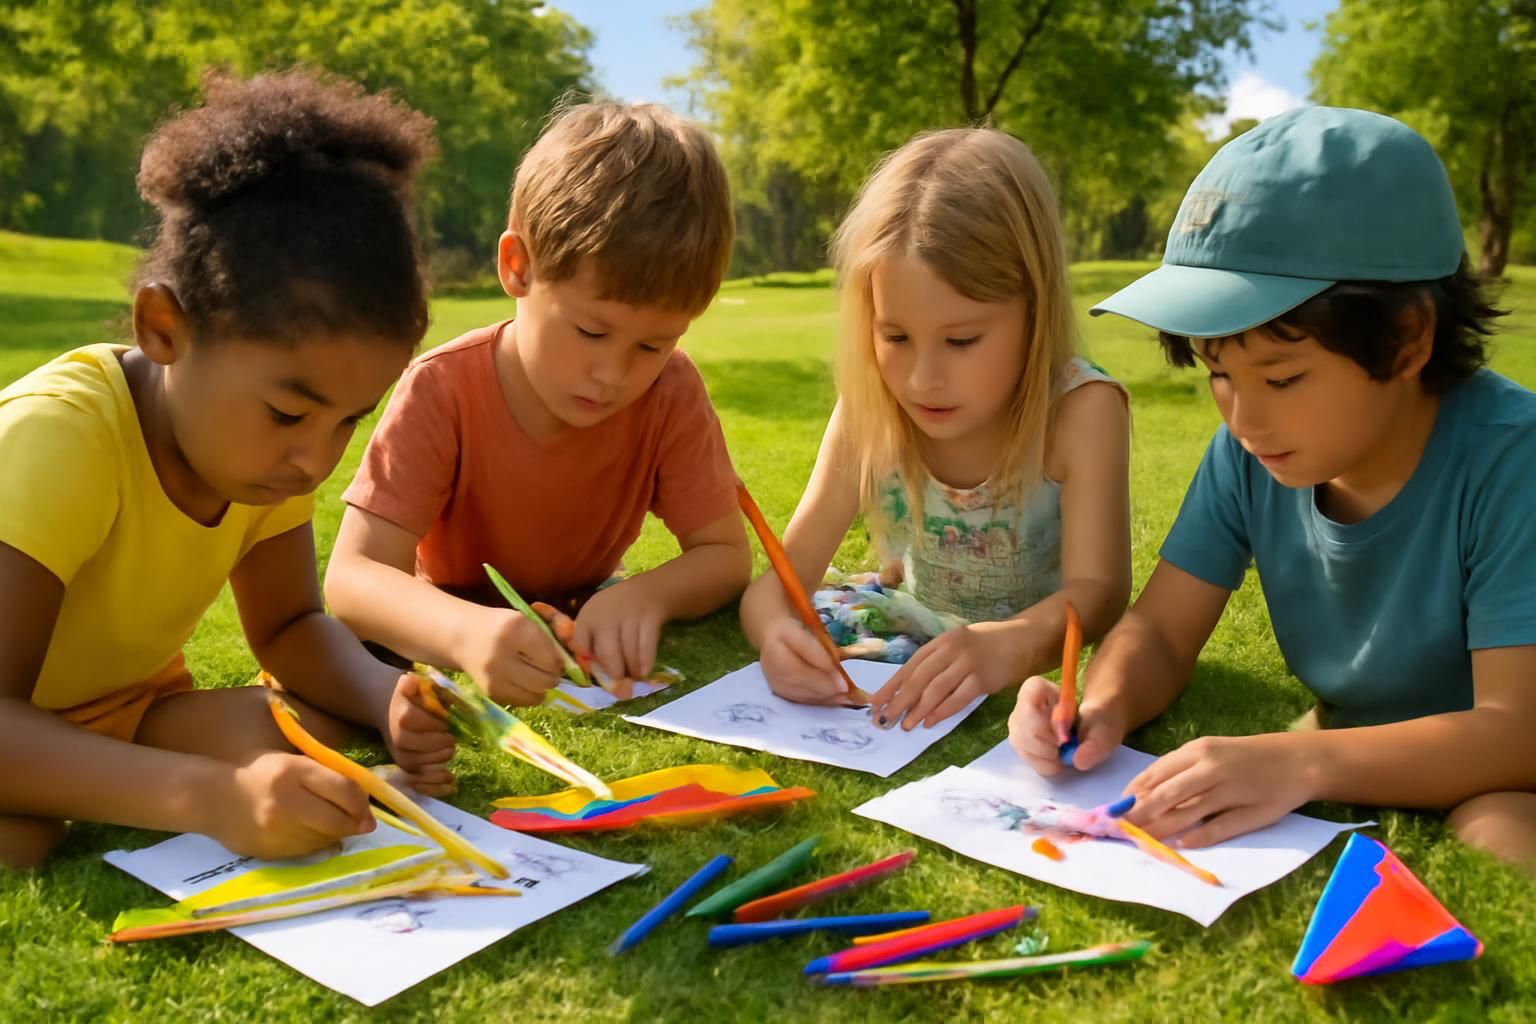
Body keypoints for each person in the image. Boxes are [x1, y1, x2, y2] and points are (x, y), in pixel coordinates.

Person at [1009, 106, 1536, 870]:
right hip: (1359, 752)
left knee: (1496, 832)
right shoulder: (1248, 455)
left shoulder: (1511, 460)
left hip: (1498, 766)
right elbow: (1158, 629)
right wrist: (1101, 706)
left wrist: (1305, 763)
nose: (1244, 416)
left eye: (1283, 378)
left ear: (1408, 337)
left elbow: (1516, 731)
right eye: (1219, 373)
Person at [0, 70, 454, 869]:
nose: (316, 459)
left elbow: (287, 628)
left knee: (302, 734)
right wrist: (209, 799)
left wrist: (386, 699)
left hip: (119, 712)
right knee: (20, 838)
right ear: (165, 326)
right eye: (288, 413)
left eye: (348, 419)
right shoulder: (59, 437)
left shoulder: (261, 465)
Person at [325, 100, 750, 707]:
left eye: (653, 343)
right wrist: (466, 633)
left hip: (583, 619)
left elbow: (725, 555)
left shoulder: (670, 392)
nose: (613, 375)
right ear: (517, 266)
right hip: (443, 613)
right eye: (592, 332)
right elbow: (353, 578)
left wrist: (642, 596)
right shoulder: (441, 388)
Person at [739, 127, 1132, 730]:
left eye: (961, 340)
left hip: (1016, 665)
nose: (923, 380)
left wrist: (1009, 645)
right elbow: (781, 583)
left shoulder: (1082, 412)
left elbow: (1099, 594)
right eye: (895, 337)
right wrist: (775, 635)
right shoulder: (871, 407)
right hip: (908, 629)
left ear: (1036, 309)